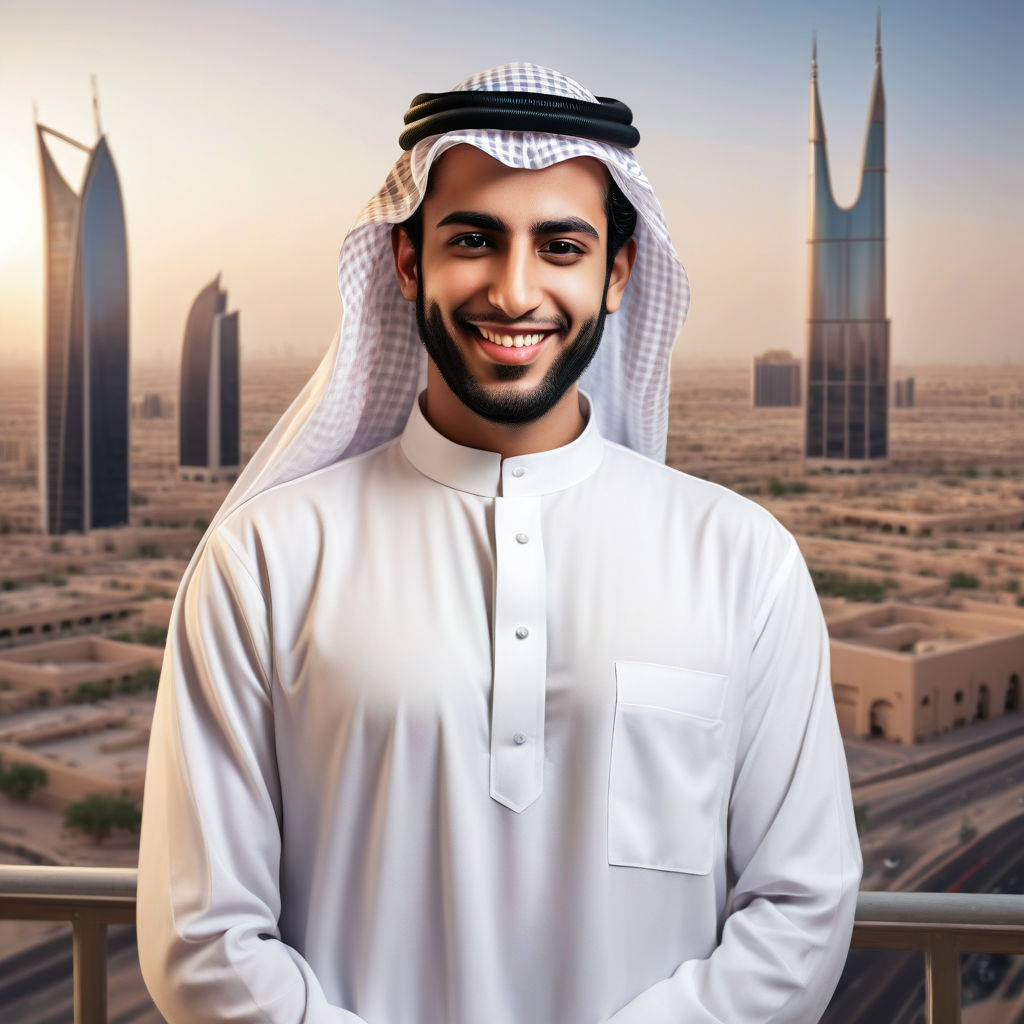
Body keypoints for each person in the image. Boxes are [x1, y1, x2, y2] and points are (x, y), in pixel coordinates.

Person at [137, 63, 861, 1023]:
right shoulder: (265, 561)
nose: (515, 291)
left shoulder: (742, 561)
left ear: (617, 275)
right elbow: (202, 939)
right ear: (407, 263)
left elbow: (800, 906)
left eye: (561, 245)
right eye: (473, 240)